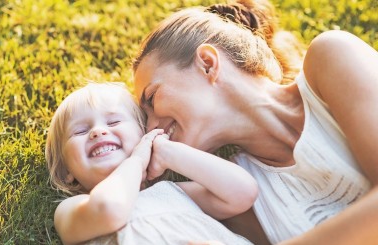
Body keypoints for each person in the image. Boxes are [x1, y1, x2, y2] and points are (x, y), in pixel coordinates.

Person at [132, 0, 378, 244]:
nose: (152, 126)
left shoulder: (332, 56)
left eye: (152, 98)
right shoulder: (239, 199)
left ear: (207, 64)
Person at [44, 82, 258, 244]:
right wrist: (137, 161)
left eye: (114, 121)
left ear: (143, 135)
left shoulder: (173, 192)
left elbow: (243, 192)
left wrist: (168, 152)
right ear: (65, 172)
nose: (98, 131)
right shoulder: (72, 209)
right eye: (80, 131)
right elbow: (110, 209)